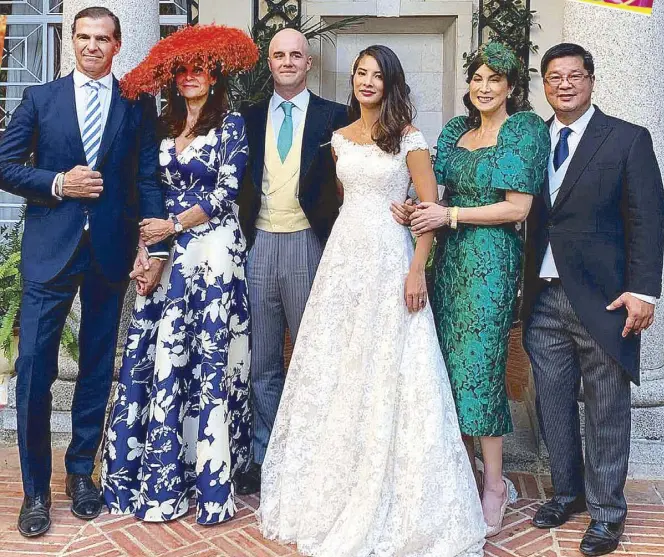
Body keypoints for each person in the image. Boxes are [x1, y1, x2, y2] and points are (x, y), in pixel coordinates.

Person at [259, 44, 486, 557]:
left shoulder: (410, 138)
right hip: (344, 262)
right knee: (339, 370)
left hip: (391, 261)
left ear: (390, 83)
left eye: (376, 75)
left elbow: (428, 208)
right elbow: (345, 203)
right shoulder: (338, 139)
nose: (366, 81)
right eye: (360, 73)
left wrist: (416, 271)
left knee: (394, 369)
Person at [0, 7, 168, 538]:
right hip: (51, 249)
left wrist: (153, 248)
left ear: (118, 45)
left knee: (97, 367)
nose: (92, 46)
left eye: (103, 39)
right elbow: (4, 164)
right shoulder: (41, 99)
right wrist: (57, 184)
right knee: (33, 372)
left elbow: (147, 178)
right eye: (84, 37)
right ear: (72, 41)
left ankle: (81, 475)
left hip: (110, 252)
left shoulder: (137, 103)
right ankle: (35, 492)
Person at [99, 24, 258, 525]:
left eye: (200, 70)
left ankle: (210, 481)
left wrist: (175, 223)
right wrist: (151, 247)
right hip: (168, 255)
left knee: (208, 361)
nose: (190, 77)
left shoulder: (230, 125)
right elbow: (147, 188)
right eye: (182, 70)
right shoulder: (161, 125)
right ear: (173, 78)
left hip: (213, 251)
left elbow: (227, 192)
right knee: (162, 356)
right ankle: (159, 479)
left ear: (214, 76)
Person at [391, 42, 550, 536]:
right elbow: (434, 194)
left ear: (509, 87)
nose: (483, 88)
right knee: (446, 367)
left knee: (481, 370)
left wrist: (450, 214)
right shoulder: (458, 130)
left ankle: (495, 484)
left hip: (490, 261)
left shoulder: (524, 130)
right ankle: (461, 473)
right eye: (477, 79)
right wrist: (414, 210)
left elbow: (517, 208)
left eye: (494, 80)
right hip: (449, 262)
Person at [522, 43, 664, 556]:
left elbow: (648, 219)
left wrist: (644, 291)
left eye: (574, 76)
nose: (564, 85)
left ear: (591, 80)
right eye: (554, 77)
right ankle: (568, 491)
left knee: (606, 406)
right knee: (553, 402)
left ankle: (607, 515)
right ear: (544, 84)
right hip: (541, 297)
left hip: (604, 300)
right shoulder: (532, 139)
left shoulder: (626, 139)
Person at [235, 28, 348, 494]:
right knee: (262, 361)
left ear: (309, 63)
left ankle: (310, 457)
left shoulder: (336, 117)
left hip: (309, 244)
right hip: (258, 243)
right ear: (269, 62)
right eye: (278, 55)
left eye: (295, 55)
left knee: (311, 358)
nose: (287, 62)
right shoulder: (248, 117)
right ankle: (265, 457)